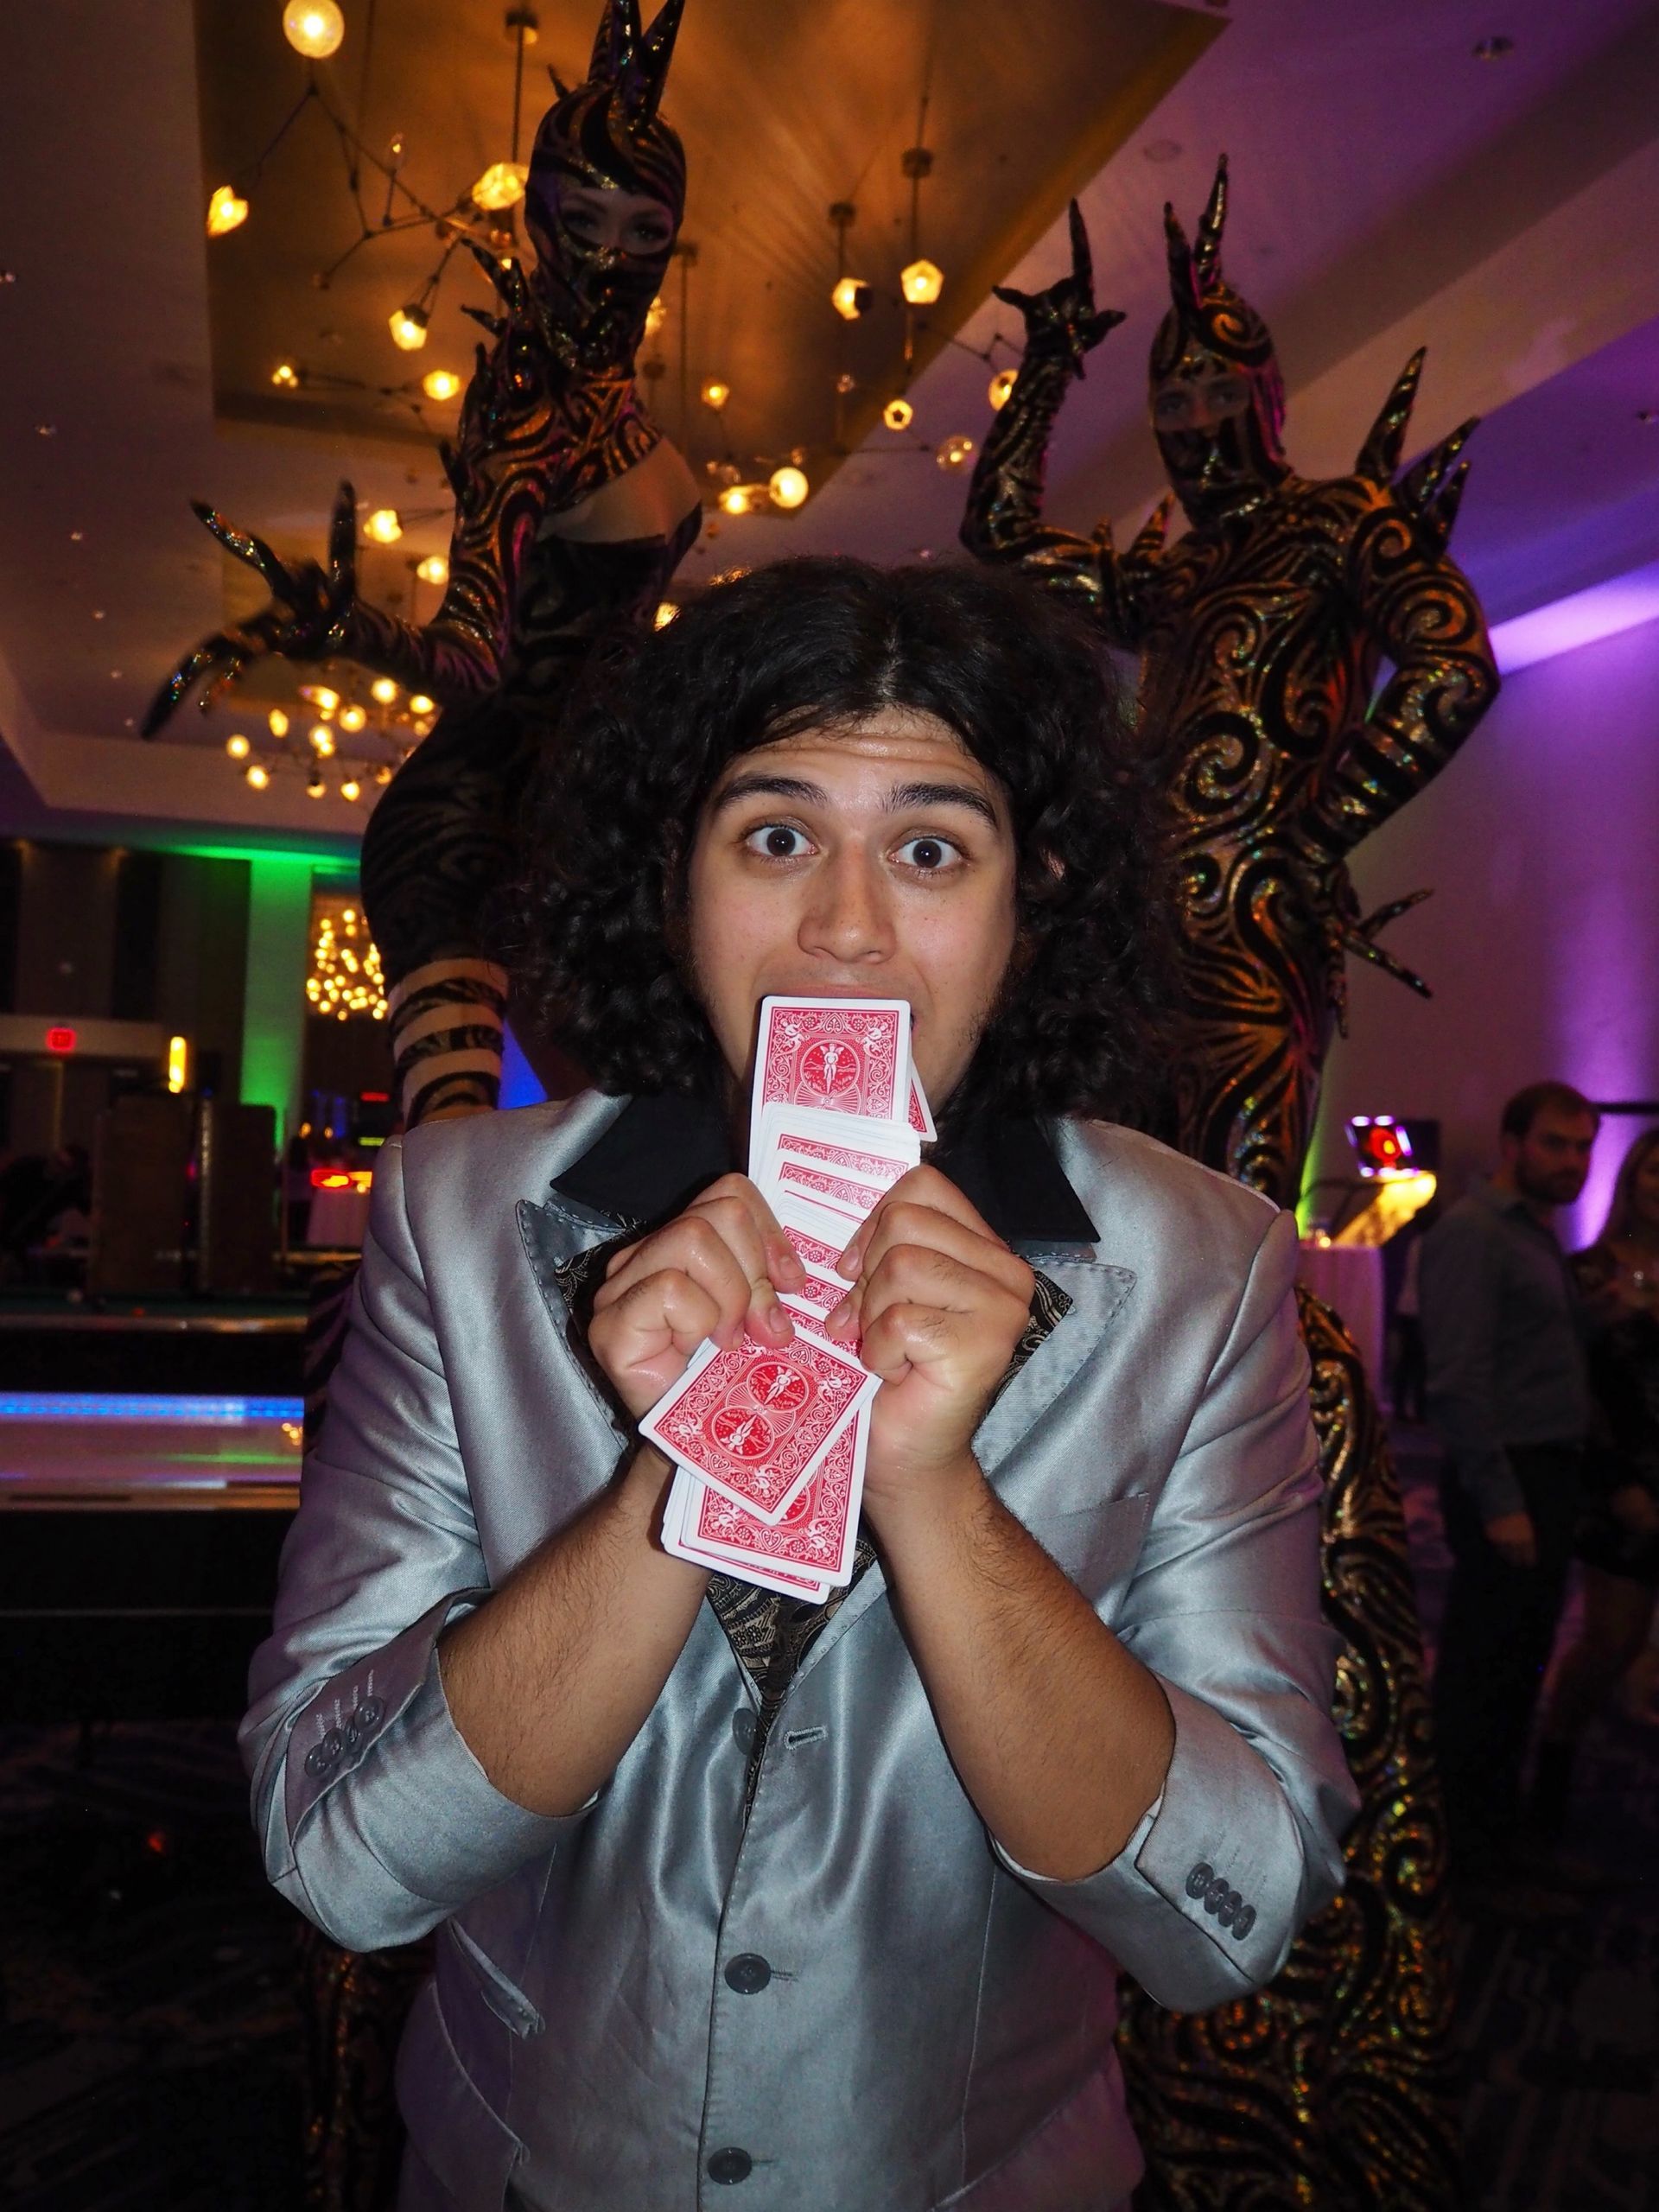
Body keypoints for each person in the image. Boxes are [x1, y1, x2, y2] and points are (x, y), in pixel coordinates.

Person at [241, 556, 1356, 2212]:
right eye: (774, 838)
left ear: (1026, 900)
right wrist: (674, 1484)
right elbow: (337, 1856)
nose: (845, 926)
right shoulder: (461, 1223)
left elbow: (1228, 1915)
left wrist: (932, 1488)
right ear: (672, 878)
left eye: (928, 847)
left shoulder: (1206, 1269)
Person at [143, 0, 700, 1132]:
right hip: (468, 836)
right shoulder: (532, 415)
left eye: (643, 230)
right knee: (465, 1176)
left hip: (582, 831)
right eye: (582, 218)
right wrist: (348, 631)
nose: (607, 257)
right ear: (540, 217)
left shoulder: (616, 410)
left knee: (628, 1167)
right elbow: (477, 660)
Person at [960, 162, 1497, 1206]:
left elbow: (1455, 664)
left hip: (1255, 937)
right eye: (1173, 399)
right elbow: (1002, 539)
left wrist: (1319, 828)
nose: (1198, 424)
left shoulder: (1342, 522)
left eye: (1218, 392)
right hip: (1139, 946)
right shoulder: (1175, 574)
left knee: (1240, 1237)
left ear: (1268, 399)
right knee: (1126, 1240)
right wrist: (1049, 366)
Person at [1417, 1080, 1598, 1883]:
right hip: (1509, 1480)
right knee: (1482, 1674)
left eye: (1584, 1145)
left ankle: (1498, 1837)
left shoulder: (1533, 1233)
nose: (1574, 1161)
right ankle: (1472, 1857)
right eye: (1557, 1143)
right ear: (1513, 1144)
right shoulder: (1475, 1233)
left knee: (1515, 1663)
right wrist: (1502, 1504)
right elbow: (1457, 1382)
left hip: (1546, 1475)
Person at [1531, 1126, 1659, 1830]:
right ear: (1632, 1182)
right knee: (1614, 1638)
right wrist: (1616, 1484)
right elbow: (1581, 1389)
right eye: (1652, 1174)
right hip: (1624, 1479)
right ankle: (1554, 1765)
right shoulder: (1590, 1270)